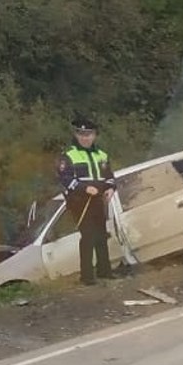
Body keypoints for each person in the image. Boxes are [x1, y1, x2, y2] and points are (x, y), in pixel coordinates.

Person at [57, 116, 117, 286]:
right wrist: (84, 188)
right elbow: (65, 179)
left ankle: (105, 271)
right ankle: (87, 276)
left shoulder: (102, 155)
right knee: (88, 236)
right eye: (81, 134)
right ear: (76, 135)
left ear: (94, 135)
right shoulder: (68, 155)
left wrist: (111, 188)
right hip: (79, 202)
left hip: (98, 201)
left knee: (101, 235)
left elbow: (110, 177)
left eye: (88, 134)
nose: (85, 137)